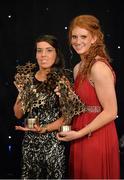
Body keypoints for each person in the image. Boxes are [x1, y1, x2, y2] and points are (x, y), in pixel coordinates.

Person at [57, 15, 120, 179]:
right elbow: (79, 106)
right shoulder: (78, 68)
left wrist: (80, 133)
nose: (78, 41)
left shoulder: (99, 67)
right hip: (79, 132)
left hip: (96, 135)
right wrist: (64, 97)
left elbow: (111, 111)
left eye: (83, 36)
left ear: (95, 38)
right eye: (74, 37)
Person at [13, 34, 69, 179]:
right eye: (39, 50)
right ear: (36, 54)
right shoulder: (28, 80)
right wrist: (23, 93)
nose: (43, 55)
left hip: (54, 144)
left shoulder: (62, 80)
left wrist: (44, 129)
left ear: (56, 54)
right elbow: (18, 114)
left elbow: (67, 118)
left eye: (49, 50)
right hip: (30, 144)